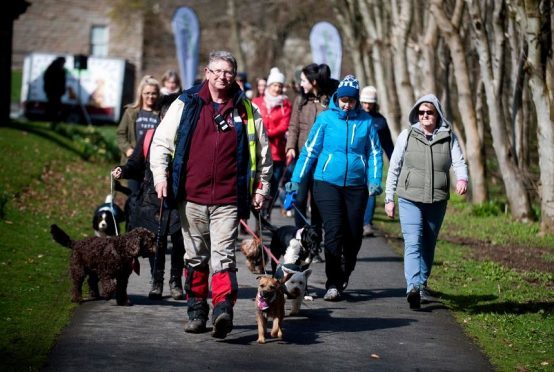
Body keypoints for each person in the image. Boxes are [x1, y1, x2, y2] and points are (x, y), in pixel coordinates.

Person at [149, 50, 272, 338]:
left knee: (223, 258)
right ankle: (196, 311)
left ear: (235, 75)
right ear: (207, 72)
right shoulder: (187, 103)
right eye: (216, 71)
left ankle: (222, 310)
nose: (222, 76)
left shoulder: (247, 110)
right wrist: (160, 177)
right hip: (191, 197)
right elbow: (161, 143)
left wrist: (262, 187)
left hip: (229, 199)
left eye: (228, 72)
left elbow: (263, 155)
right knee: (195, 258)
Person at [287, 75, 383, 301]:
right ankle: (333, 283)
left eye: (351, 100)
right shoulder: (326, 119)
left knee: (353, 236)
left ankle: (345, 270)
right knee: (333, 231)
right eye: (343, 99)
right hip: (326, 183)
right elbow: (309, 151)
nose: (346, 104)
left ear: (357, 100)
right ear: (337, 98)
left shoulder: (366, 122)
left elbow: (375, 153)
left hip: (356, 186)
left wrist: (375, 180)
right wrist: (295, 181)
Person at [384, 94, 468, 310]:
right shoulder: (407, 135)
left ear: (437, 114)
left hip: (437, 199)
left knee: (428, 244)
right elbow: (395, 165)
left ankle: (422, 284)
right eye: (421, 113)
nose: (424, 116)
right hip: (409, 198)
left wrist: (462, 178)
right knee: (413, 242)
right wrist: (389, 198)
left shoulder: (449, 136)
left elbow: (458, 161)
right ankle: (413, 287)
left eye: (429, 112)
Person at [111, 124, 185, 301]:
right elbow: (134, 164)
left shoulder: (186, 137)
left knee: (179, 241)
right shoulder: (150, 136)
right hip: (152, 198)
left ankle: (176, 282)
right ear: (161, 118)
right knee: (155, 241)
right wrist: (123, 171)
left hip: (179, 199)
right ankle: (156, 281)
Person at [285, 63, 338, 243]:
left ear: (313, 82)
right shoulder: (300, 100)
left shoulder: (331, 101)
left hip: (323, 159)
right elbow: (293, 126)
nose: (301, 84)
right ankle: (301, 238)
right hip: (303, 157)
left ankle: (315, 241)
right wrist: (291, 146)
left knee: (317, 204)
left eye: (303, 80)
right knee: (299, 200)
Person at [252, 67, 291, 219]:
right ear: (268, 86)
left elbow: (284, 125)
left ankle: (266, 211)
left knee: (273, 184)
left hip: (276, 151)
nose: (277, 88)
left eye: (280, 86)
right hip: (258, 150)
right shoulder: (257, 102)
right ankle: (256, 211)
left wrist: (266, 133)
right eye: (274, 85)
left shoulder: (285, 105)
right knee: (258, 183)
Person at [116, 75, 161, 195]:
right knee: (134, 197)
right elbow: (120, 134)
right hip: (134, 163)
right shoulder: (131, 112)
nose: (150, 96)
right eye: (147, 93)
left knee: (150, 200)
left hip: (154, 165)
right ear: (141, 93)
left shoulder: (161, 114)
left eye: (154, 93)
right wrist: (127, 149)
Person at [359, 86, 394, 237]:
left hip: (374, 162)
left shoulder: (381, 121)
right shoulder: (356, 117)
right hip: (357, 161)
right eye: (365, 102)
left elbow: (388, 145)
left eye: (370, 103)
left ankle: (367, 223)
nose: (367, 106)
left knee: (371, 192)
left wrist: (394, 161)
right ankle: (354, 221)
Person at [43, 56, 67, 123]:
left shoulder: (54, 68)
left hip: (54, 90)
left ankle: (52, 118)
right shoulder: (55, 69)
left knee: (54, 105)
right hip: (53, 90)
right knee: (53, 105)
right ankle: (51, 118)